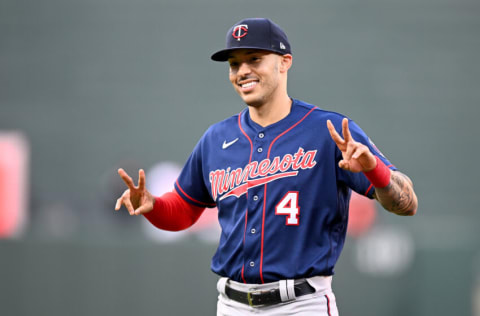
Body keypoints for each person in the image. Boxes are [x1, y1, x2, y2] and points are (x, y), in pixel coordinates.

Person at [114, 18, 418, 316]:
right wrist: (152, 205)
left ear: (284, 62)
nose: (243, 70)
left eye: (255, 58)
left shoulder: (330, 131)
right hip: (232, 304)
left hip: (302, 303)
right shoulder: (216, 139)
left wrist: (373, 169)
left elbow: (407, 203)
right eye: (234, 64)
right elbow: (183, 210)